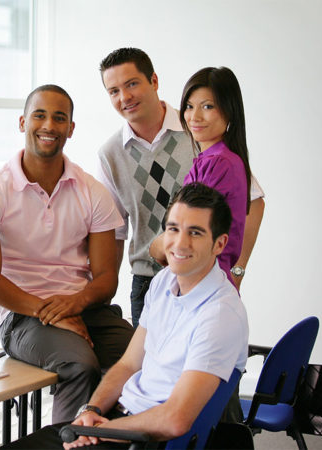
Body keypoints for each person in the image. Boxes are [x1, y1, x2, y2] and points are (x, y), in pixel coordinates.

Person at [2, 182, 249, 449]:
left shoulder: (220, 314)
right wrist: (90, 410)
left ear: (219, 244)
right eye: (173, 229)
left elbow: (175, 420)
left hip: (143, 438)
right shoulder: (165, 280)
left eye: (196, 233)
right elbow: (129, 365)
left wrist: (108, 430)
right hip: (121, 421)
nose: (180, 243)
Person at [0, 85, 134, 423]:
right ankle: (68, 443)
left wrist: (71, 306)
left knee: (142, 354)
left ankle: (109, 441)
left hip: (83, 307)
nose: (49, 126)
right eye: (40, 115)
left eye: (60, 118)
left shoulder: (92, 191)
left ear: (71, 129)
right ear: (22, 121)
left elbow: (105, 279)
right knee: (79, 363)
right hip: (21, 315)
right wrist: (50, 313)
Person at [96, 48, 264, 327]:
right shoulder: (110, 153)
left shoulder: (201, 137)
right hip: (149, 284)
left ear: (154, 81)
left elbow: (253, 201)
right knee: (153, 366)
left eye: (132, 84)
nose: (124, 97)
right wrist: (105, 302)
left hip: (200, 279)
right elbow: (115, 232)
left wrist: (236, 270)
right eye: (113, 91)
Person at [151, 67, 251, 282]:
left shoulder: (219, 163)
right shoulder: (215, 159)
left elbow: (183, 236)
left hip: (205, 282)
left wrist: (157, 246)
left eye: (207, 106)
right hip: (200, 279)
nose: (194, 117)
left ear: (229, 110)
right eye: (188, 106)